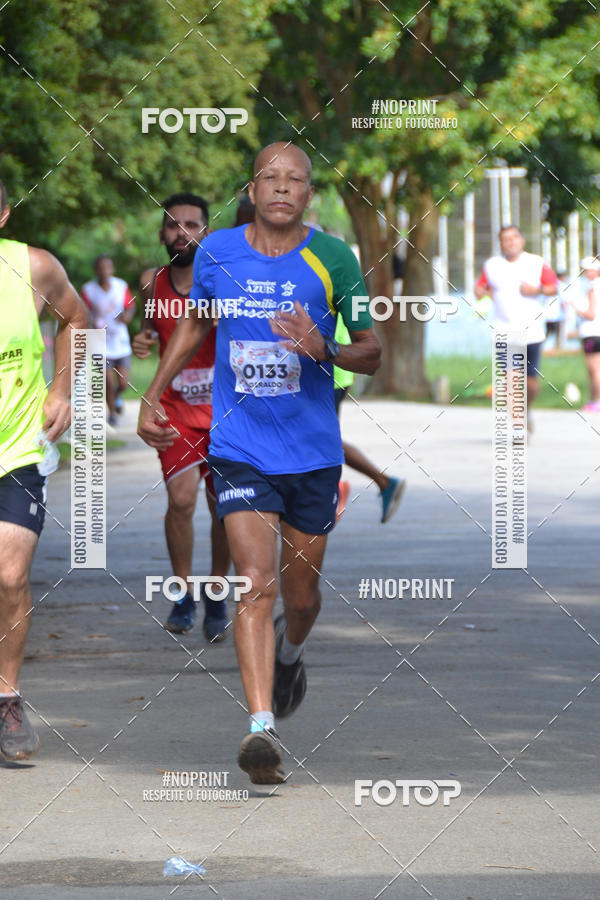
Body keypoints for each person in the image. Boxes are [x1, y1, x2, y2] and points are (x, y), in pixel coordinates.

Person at [138, 142, 381, 784]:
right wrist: (153, 392)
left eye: (294, 179)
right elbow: (194, 325)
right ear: (251, 189)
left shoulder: (332, 257)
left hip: (312, 454)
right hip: (239, 447)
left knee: (299, 599)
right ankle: (260, 730)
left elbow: (372, 351)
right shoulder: (217, 251)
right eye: (269, 178)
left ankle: (293, 652)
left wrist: (320, 346)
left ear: (308, 194)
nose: (281, 188)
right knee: (255, 583)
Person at [0, 179, 89, 760]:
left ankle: (6, 697)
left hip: (17, 450)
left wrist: (62, 391)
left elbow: (77, 319)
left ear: (3, 212)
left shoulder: (32, 268)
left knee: (8, 577)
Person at [132, 193, 230, 640]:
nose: (182, 232)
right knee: (182, 501)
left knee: (223, 508)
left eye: (192, 225)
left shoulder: (224, 279)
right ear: (162, 234)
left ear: (205, 232)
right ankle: (183, 591)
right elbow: (151, 329)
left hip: (227, 410)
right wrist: (143, 342)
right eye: (174, 225)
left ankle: (216, 591)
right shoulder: (153, 284)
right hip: (174, 409)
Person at [475, 225, 558, 430]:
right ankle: (519, 426)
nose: (510, 242)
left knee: (530, 383)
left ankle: (526, 410)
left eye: (514, 237)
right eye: (505, 239)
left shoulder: (536, 262)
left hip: (532, 332)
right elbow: (480, 288)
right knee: (511, 381)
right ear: (501, 243)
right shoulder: (492, 265)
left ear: (522, 240)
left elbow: (553, 287)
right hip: (504, 331)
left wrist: (536, 289)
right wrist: (481, 293)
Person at [333, 314, 405, 521]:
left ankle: (379, 482)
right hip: (336, 369)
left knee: (323, 438)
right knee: (321, 437)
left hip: (330, 372)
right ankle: (376, 482)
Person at [81, 256, 135, 425]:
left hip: (120, 341)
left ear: (112, 269)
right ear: (96, 270)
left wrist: (127, 316)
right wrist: (90, 326)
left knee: (124, 383)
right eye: (101, 268)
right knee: (108, 382)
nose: (104, 271)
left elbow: (131, 306)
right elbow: (82, 313)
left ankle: (117, 396)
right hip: (100, 343)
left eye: (107, 268)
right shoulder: (88, 290)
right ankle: (112, 414)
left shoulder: (121, 286)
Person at [569, 257, 600, 412]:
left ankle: (595, 401)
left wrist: (576, 309)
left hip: (592, 333)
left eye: (587, 270)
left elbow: (591, 314)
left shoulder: (593, 288)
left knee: (594, 369)